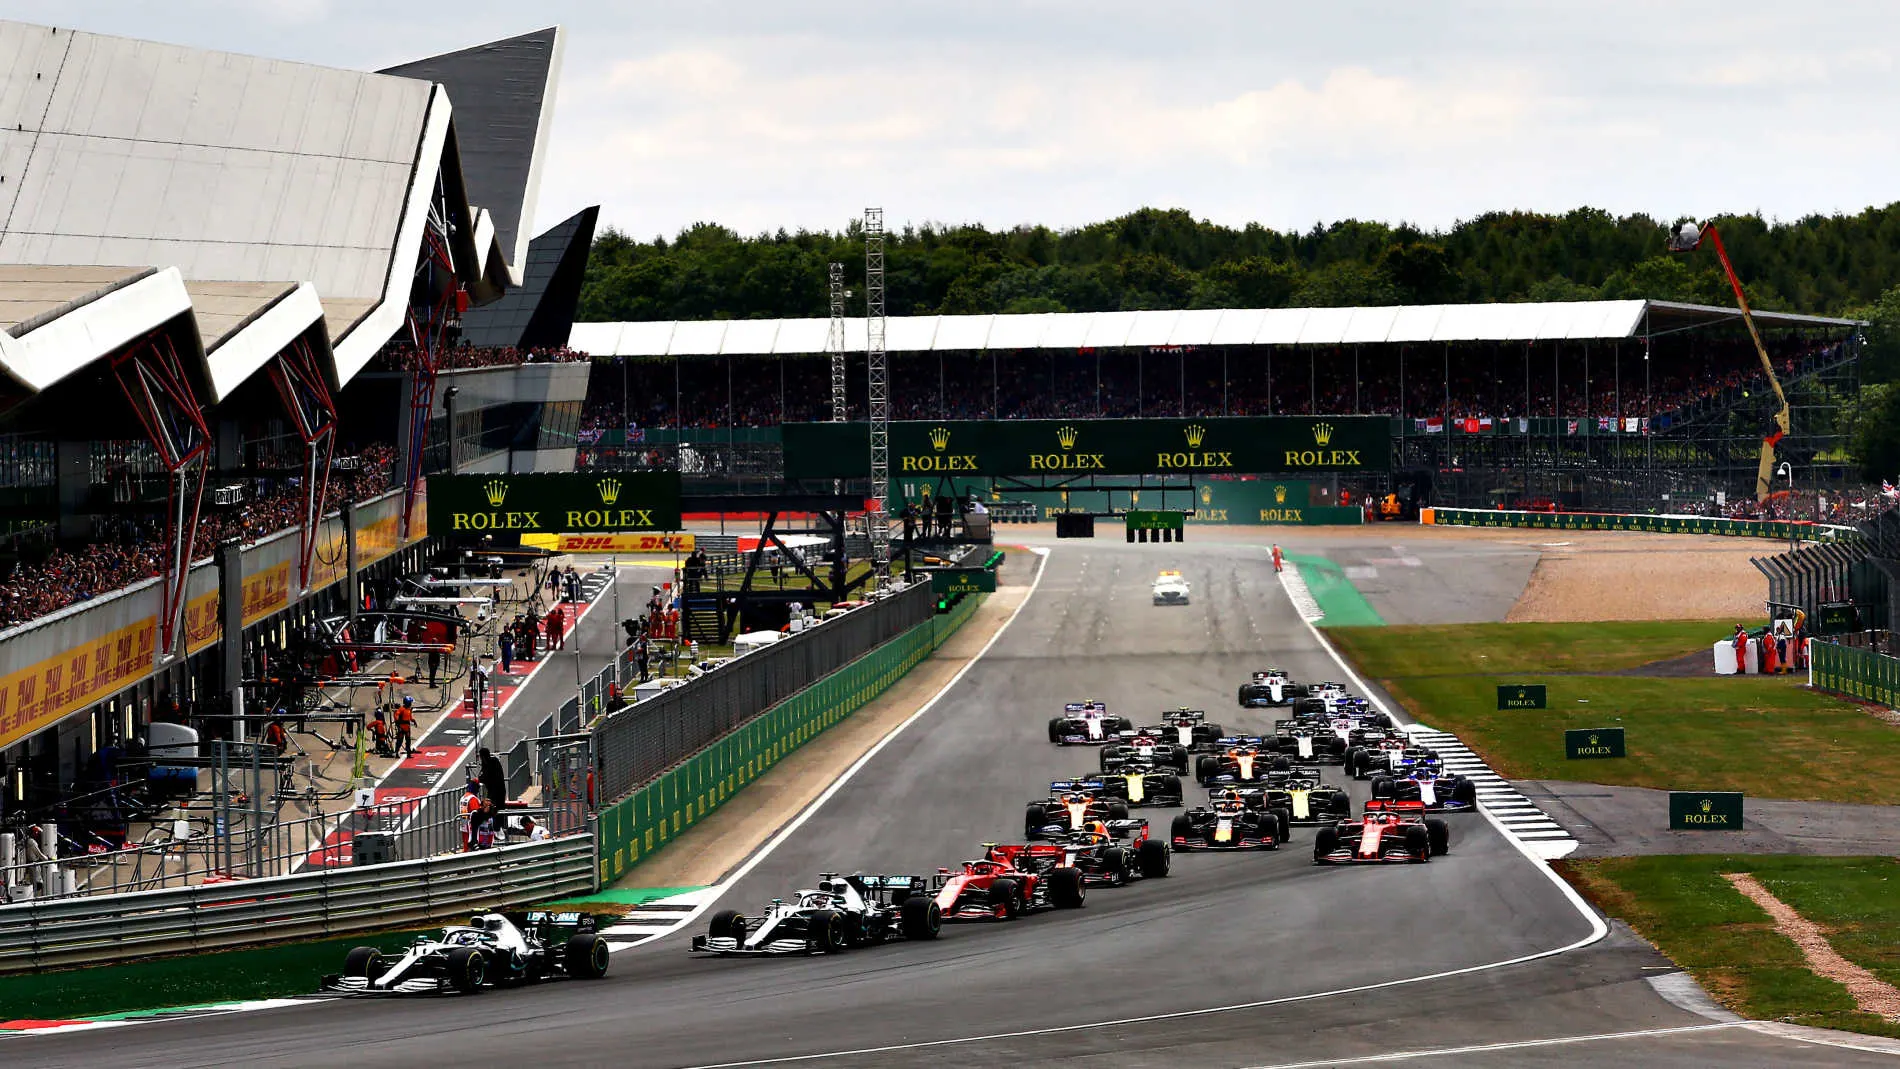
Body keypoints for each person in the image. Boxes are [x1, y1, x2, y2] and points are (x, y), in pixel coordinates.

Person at [480, 746, 507, 814]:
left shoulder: (493, 762)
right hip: (494, 790)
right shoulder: (491, 762)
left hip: (497, 791)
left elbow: (487, 776)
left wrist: (481, 778)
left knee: (496, 809)